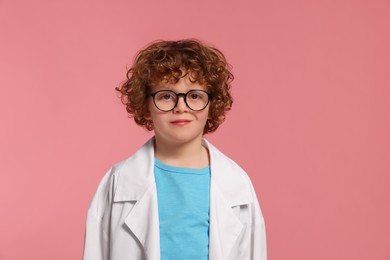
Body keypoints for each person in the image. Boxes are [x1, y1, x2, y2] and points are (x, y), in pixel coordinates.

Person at [83, 39, 267, 260]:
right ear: (146, 106)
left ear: (212, 104)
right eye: (166, 96)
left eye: (195, 96)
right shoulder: (118, 182)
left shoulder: (237, 184)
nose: (181, 107)